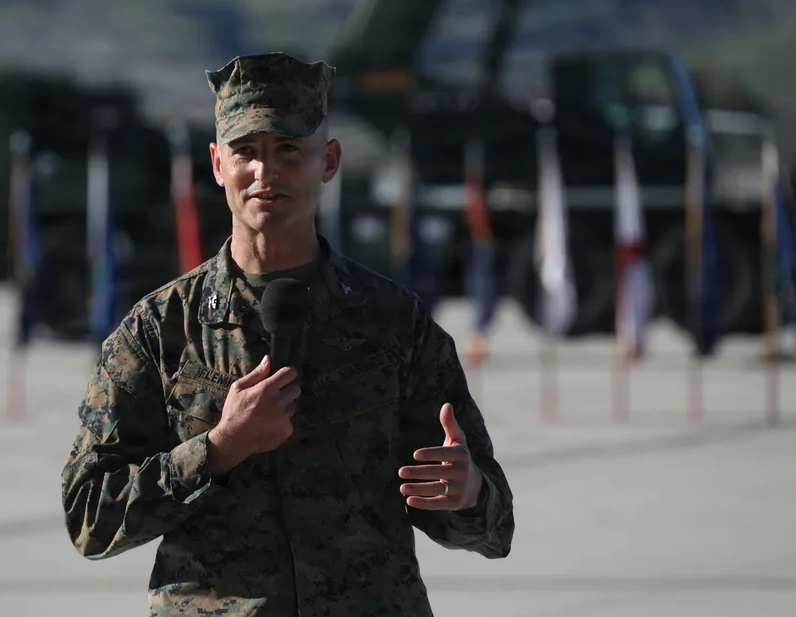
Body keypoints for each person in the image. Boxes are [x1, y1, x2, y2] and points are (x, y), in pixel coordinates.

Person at [60, 51, 515, 616]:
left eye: (288, 152)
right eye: (246, 152)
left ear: (329, 161)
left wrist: (468, 495)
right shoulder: (160, 329)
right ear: (217, 163)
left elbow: (493, 527)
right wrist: (218, 450)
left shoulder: (396, 323)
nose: (264, 173)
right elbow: (88, 518)